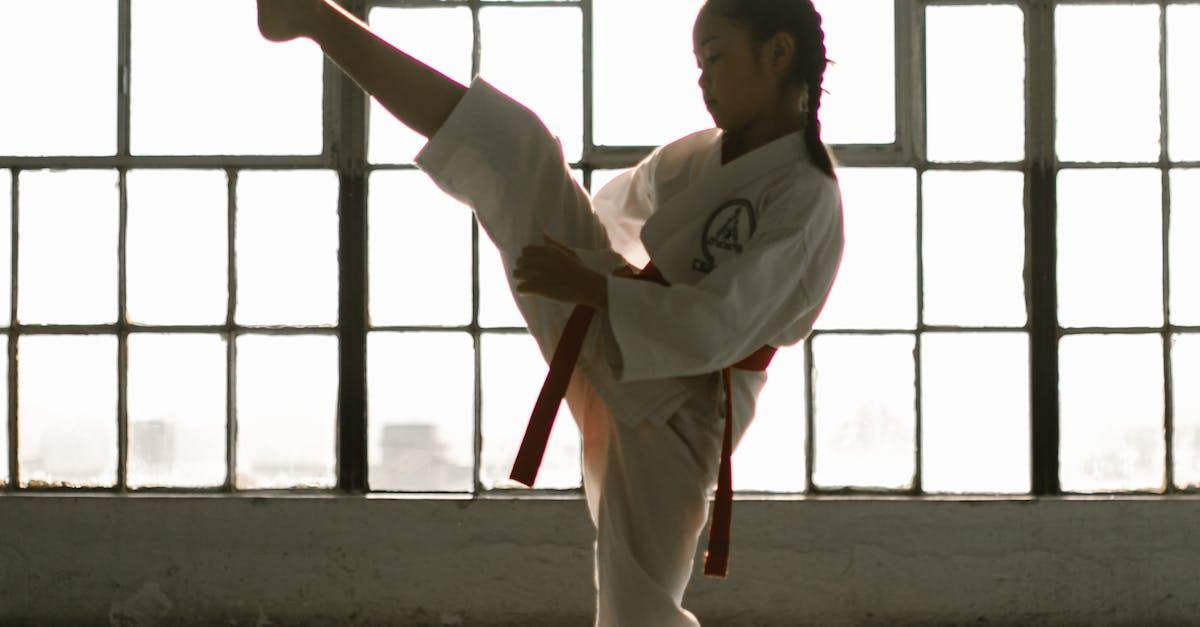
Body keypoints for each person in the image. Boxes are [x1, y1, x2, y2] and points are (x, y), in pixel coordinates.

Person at [255, 0, 843, 624]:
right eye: (698, 64)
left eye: (716, 59)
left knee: (637, 612)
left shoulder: (805, 199)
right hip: (620, 326)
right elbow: (619, 211)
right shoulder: (701, 156)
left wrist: (599, 289)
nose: (702, 81)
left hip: (689, 409)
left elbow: (719, 327)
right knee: (516, 146)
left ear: (777, 54)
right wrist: (586, 265)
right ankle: (317, 18)